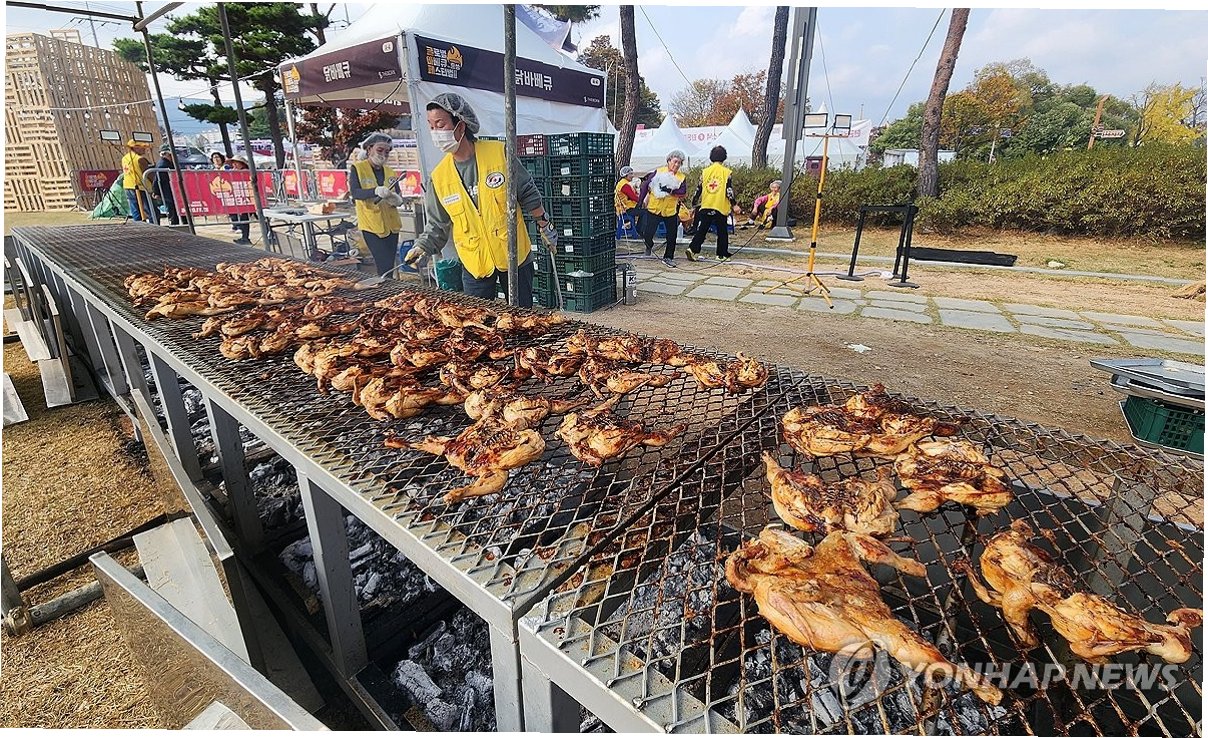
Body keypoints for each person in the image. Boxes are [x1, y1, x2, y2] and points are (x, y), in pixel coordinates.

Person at [404, 92, 553, 308]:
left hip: (513, 255)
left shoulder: (499, 153)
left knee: (521, 317)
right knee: (475, 319)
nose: (435, 132)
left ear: (460, 126)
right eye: (431, 126)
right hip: (475, 262)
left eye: (440, 124)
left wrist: (544, 225)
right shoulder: (439, 178)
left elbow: (527, 191)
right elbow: (437, 225)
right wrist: (423, 246)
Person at [348, 132, 405, 277]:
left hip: (392, 226)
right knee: (383, 263)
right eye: (380, 150)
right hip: (371, 225)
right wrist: (375, 191)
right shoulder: (358, 168)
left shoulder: (390, 171)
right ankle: (385, 287)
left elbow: (398, 194)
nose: (383, 154)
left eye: (387, 152)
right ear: (369, 149)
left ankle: (389, 286)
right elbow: (355, 193)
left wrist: (395, 199)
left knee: (390, 264)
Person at [637, 150, 687, 267]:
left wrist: (671, 190)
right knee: (648, 233)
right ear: (669, 161)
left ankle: (668, 257)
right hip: (655, 208)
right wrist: (640, 201)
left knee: (672, 235)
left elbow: (683, 192)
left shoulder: (681, 177)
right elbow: (645, 185)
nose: (677, 165)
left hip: (670, 210)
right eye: (675, 162)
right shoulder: (658, 172)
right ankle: (649, 245)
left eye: (679, 163)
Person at [686, 145, 736, 262]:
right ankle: (721, 254)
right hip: (719, 206)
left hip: (706, 205)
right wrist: (734, 204)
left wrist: (694, 203)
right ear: (724, 157)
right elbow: (729, 191)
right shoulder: (726, 172)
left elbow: (698, 189)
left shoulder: (705, 172)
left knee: (702, 229)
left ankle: (692, 249)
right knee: (722, 231)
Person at [121, 139, 157, 223]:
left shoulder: (124, 158)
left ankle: (139, 226)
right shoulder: (140, 159)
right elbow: (149, 174)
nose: (144, 149)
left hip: (128, 186)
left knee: (136, 211)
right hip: (140, 187)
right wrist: (155, 185)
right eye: (142, 147)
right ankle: (154, 226)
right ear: (135, 148)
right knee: (151, 211)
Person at [152, 146, 183, 226]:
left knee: (175, 209)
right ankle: (175, 226)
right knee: (172, 210)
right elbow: (158, 179)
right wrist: (156, 192)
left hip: (171, 190)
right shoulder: (163, 165)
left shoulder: (167, 163)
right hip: (168, 191)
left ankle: (179, 224)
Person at [227, 157, 253, 245]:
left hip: (250, 198)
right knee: (245, 218)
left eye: (236, 163)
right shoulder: (236, 172)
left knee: (257, 217)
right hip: (245, 199)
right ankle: (245, 238)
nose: (234, 165)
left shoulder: (246, 172)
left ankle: (245, 238)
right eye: (233, 163)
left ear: (242, 164)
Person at [613, 165, 639, 233]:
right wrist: (641, 200)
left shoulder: (622, 183)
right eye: (631, 174)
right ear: (625, 175)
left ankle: (636, 230)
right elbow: (633, 197)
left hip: (622, 208)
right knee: (645, 213)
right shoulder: (625, 185)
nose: (633, 176)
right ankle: (639, 230)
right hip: (626, 209)